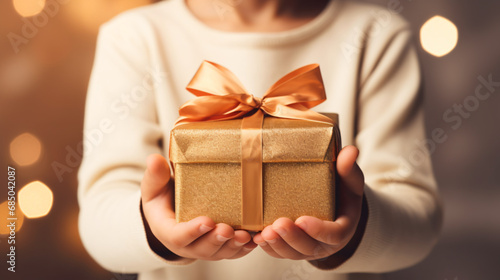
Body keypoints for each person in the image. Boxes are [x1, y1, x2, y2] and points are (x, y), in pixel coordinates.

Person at [78, 0, 442, 279]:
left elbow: (419, 224)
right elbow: (99, 218)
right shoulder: (134, 36)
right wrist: (153, 226)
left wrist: (358, 223)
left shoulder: (378, 35)